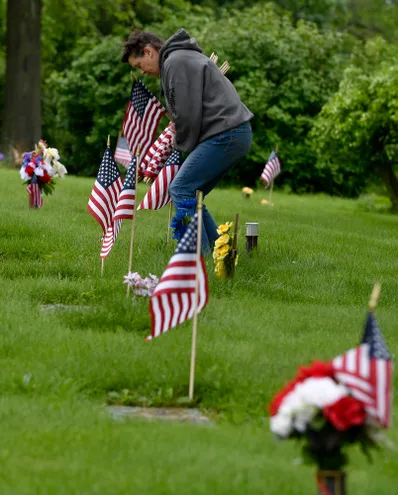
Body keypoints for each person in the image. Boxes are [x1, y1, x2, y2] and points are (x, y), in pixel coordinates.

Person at [122, 28, 253, 253]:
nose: (141, 72)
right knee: (192, 194)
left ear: (148, 52)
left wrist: (178, 146)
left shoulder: (175, 62)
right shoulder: (181, 57)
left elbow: (187, 113)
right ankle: (220, 255)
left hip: (225, 133)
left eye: (138, 65)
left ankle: (194, 262)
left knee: (181, 189)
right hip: (235, 132)